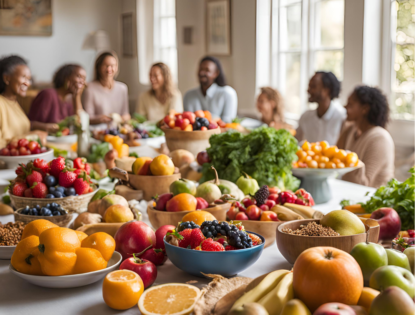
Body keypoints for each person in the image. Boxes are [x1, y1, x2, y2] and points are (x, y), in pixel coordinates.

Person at [337, 86, 394, 188]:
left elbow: (363, 184)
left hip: (372, 199)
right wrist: (345, 129)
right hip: (349, 191)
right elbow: (335, 158)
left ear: (365, 109)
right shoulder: (351, 130)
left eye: (350, 104)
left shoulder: (380, 138)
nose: (345, 107)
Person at [0, 55, 46, 148]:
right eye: (23, 77)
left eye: (29, 79)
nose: (27, 83)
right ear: (6, 78)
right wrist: (31, 136)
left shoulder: (15, 103)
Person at [28, 64, 86, 131]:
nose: (83, 82)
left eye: (84, 78)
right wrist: (47, 127)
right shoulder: (48, 95)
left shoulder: (69, 101)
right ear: (66, 77)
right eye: (79, 77)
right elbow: (30, 124)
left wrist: (77, 97)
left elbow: (81, 125)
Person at [296, 71, 346, 145]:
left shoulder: (342, 117)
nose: (308, 90)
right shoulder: (305, 117)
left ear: (327, 90)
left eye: (313, 86)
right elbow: (296, 142)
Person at [183, 56, 237, 122]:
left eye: (207, 70)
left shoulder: (228, 93)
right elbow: (187, 122)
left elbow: (228, 122)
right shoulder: (189, 95)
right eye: (200, 69)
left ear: (216, 73)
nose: (202, 73)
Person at [82, 51, 130, 125]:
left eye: (112, 66)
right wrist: (101, 119)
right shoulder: (89, 88)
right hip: (97, 130)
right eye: (105, 66)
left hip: (117, 130)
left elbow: (126, 114)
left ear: (117, 67)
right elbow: (87, 118)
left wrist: (124, 118)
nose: (109, 69)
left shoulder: (122, 88)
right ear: (98, 67)